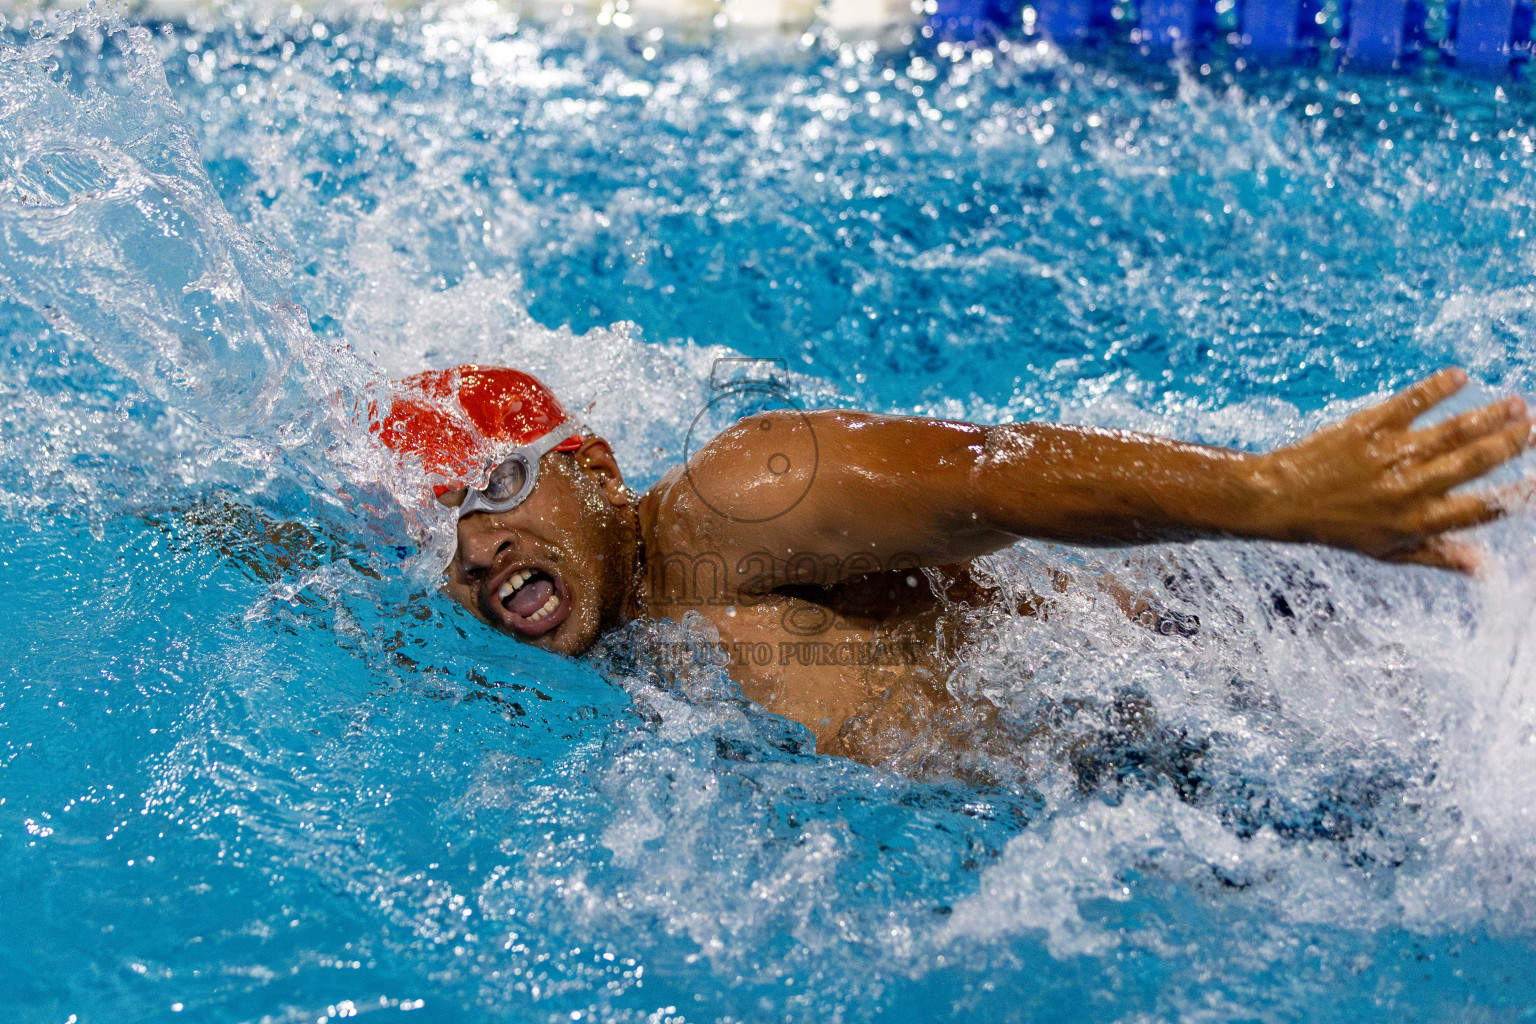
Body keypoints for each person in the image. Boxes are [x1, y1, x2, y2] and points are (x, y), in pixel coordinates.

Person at [377, 364, 1533, 767]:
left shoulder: (734, 503)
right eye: (446, 536)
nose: (479, 549)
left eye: (495, 487)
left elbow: (991, 474)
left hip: (1244, 701)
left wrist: (1273, 494)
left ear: (592, 468)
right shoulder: (588, 631)